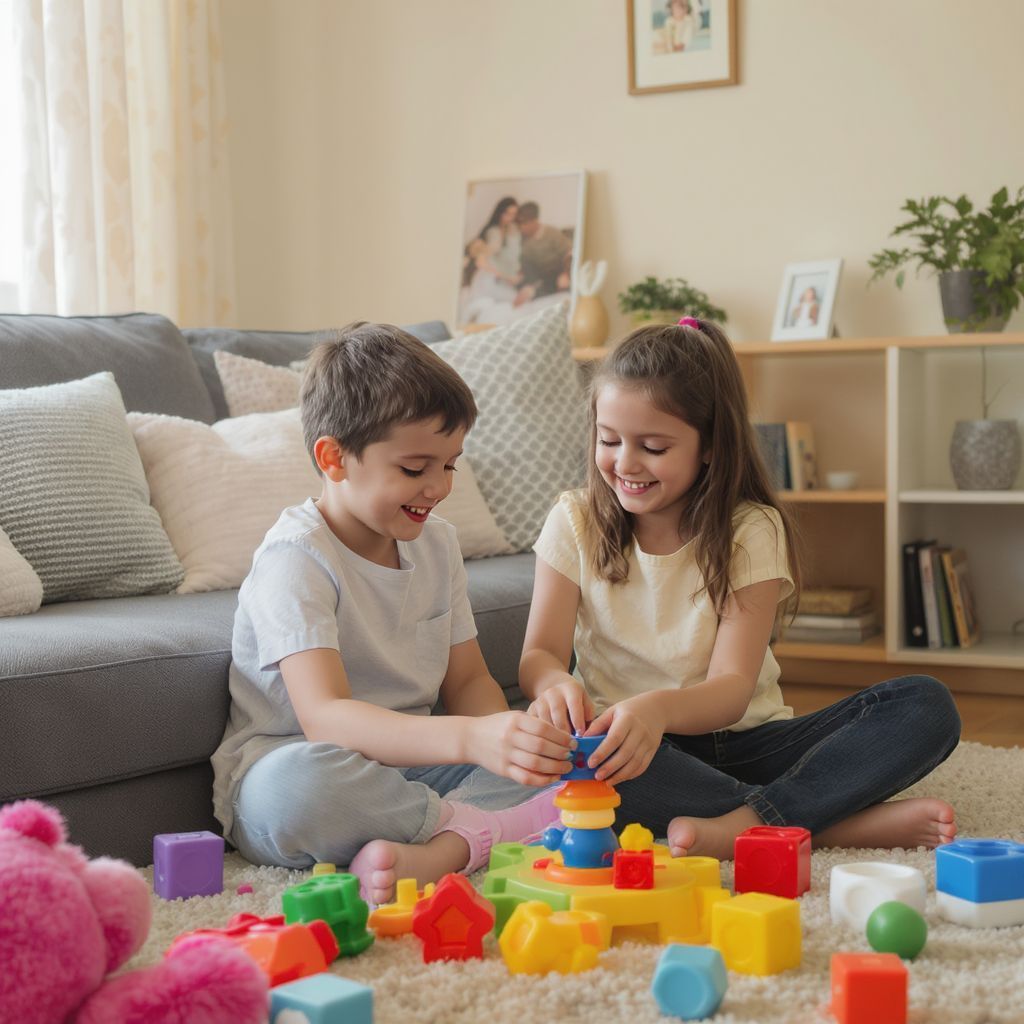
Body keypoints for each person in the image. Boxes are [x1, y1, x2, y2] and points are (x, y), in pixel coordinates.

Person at [519, 318, 962, 861]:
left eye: (653, 447)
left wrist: (656, 709)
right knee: (582, 768)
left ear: (710, 446)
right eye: (608, 440)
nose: (625, 463)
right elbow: (539, 654)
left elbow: (731, 689)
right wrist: (552, 685)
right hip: (639, 752)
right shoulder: (574, 521)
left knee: (925, 704)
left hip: (750, 740)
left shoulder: (751, 529)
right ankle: (823, 824)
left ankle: (752, 822)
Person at [211, 323, 574, 905]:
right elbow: (326, 719)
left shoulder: (438, 544)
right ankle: (480, 833)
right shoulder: (296, 557)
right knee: (294, 790)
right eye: (415, 469)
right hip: (307, 770)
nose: (438, 487)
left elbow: (470, 681)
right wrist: (472, 741)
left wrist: (512, 741)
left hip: (415, 772)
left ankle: (446, 841)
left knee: (565, 764)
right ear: (334, 458)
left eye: (451, 465)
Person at [515, 201, 573, 306]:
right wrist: (529, 285)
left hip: (557, 271)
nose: (521, 227)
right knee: (523, 289)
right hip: (540, 275)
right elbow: (526, 264)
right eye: (519, 224)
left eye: (524, 223)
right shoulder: (524, 239)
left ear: (534, 221)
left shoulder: (551, 233)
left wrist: (565, 274)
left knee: (562, 289)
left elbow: (569, 253)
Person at [477, 196, 523, 284]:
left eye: (514, 214)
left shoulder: (513, 229)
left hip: (509, 274)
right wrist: (507, 277)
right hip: (492, 276)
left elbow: (515, 255)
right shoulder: (493, 232)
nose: (511, 218)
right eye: (507, 214)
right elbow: (482, 262)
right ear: (500, 213)